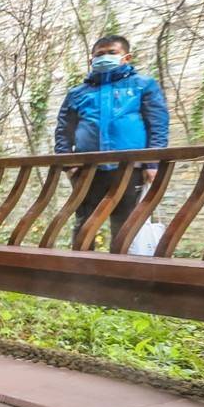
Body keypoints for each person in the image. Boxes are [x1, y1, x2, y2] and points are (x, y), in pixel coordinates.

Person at [54, 34, 169, 249]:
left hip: (129, 168)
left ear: (126, 57)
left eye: (112, 53)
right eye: (99, 54)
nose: (105, 57)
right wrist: (68, 163)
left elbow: (158, 126)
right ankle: (82, 276)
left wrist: (153, 163)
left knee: (125, 226)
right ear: (91, 61)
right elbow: (63, 130)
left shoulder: (143, 86)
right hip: (88, 171)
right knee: (85, 224)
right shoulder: (78, 93)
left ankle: (121, 276)